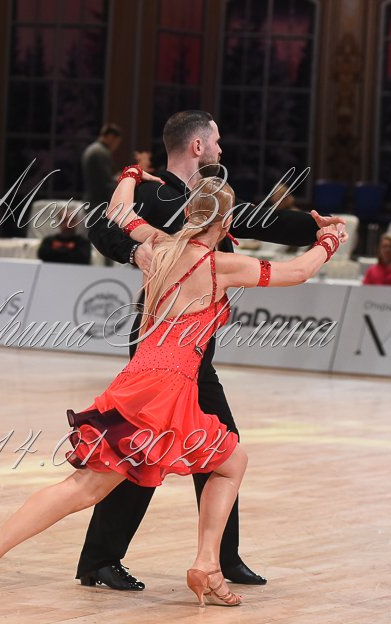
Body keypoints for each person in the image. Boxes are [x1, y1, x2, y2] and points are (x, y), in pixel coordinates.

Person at [0, 173, 345, 609]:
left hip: (141, 379)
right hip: (166, 390)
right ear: (227, 224)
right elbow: (298, 271)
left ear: (189, 212)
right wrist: (331, 239)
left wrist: (130, 175)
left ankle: (208, 565)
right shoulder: (219, 265)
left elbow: (119, 213)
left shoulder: (157, 247)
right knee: (87, 487)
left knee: (223, 463)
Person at [81, 110, 347, 591]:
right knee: (158, 448)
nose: (222, 149)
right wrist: (134, 251)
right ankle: (113, 559)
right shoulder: (153, 193)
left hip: (194, 347)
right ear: (198, 146)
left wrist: (312, 227)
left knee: (209, 445)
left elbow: (258, 219)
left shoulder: (208, 197)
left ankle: (215, 557)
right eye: (217, 141)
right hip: (162, 344)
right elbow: (101, 226)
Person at [81, 124, 122, 215]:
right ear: (111, 137)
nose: (116, 146)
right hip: (99, 204)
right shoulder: (101, 152)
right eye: (117, 142)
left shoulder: (92, 149)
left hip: (91, 201)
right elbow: (106, 183)